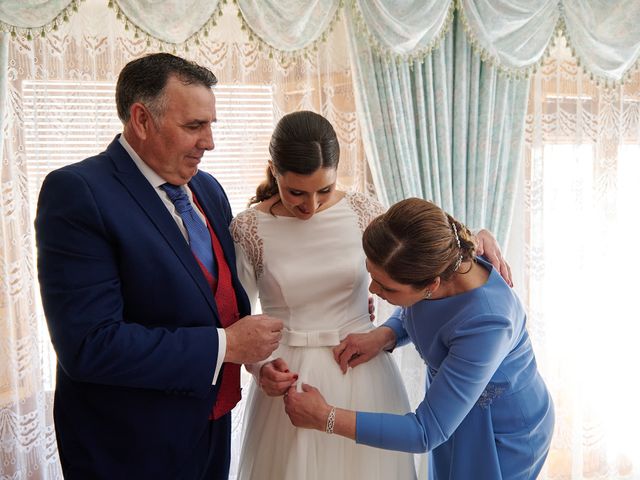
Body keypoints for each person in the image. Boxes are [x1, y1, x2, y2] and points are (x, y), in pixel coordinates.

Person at [34, 53, 283, 480]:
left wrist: (257, 360)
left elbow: (218, 299)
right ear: (142, 120)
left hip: (210, 428)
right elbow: (91, 345)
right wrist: (227, 347)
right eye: (193, 126)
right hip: (130, 447)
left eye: (210, 125)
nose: (209, 142)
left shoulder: (207, 187)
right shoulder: (76, 192)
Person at [230, 112, 511, 480]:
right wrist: (260, 368)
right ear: (274, 172)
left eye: (324, 190)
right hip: (289, 382)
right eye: (296, 192)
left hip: (362, 372)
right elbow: (240, 323)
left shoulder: (365, 211)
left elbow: (429, 255)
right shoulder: (249, 228)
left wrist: (481, 236)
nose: (310, 206)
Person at [284, 198, 555, 480]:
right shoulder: (434, 255)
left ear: (431, 284)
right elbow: (421, 310)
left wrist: (325, 417)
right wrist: (385, 335)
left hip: (502, 432)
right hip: (451, 411)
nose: (374, 290)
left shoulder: (488, 324)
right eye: (371, 275)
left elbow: (424, 432)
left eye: (386, 287)